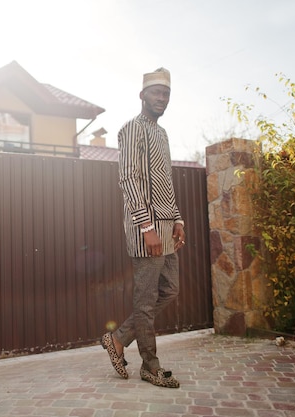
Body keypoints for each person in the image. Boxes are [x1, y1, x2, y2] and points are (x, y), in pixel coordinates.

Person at [101, 67, 186, 388]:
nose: (161, 99)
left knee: (171, 290)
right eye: (156, 93)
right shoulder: (131, 129)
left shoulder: (162, 134)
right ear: (142, 95)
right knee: (146, 300)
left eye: (166, 94)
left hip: (166, 225)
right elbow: (129, 179)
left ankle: (119, 338)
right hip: (145, 228)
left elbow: (165, 181)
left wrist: (177, 219)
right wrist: (147, 226)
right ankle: (150, 366)